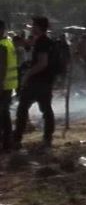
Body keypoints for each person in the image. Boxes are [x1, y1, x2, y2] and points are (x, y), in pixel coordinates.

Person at [15, 16, 60, 150]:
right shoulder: (45, 41)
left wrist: (27, 75)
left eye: (33, 25)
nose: (31, 27)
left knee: (22, 108)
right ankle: (47, 139)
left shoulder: (42, 42)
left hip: (37, 81)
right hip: (46, 81)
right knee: (46, 110)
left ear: (39, 27)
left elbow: (42, 63)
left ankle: (17, 139)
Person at [0, 22, 17, 152]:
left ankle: (7, 144)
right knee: (4, 113)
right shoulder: (8, 42)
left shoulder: (2, 45)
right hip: (8, 84)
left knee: (3, 113)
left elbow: (2, 67)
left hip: (3, 85)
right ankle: (7, 142)